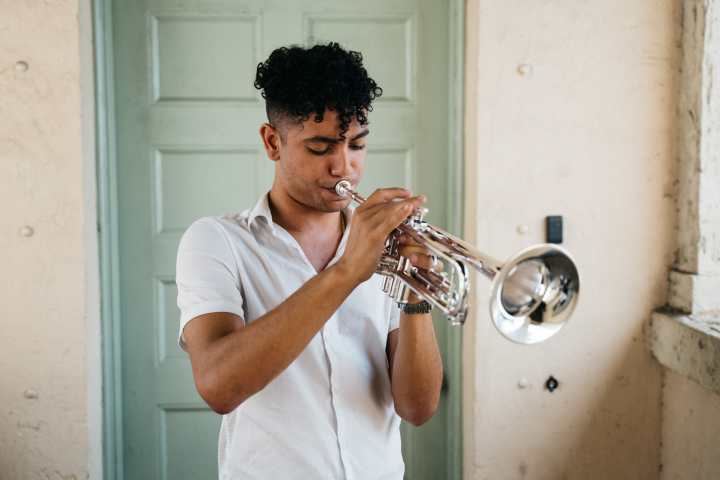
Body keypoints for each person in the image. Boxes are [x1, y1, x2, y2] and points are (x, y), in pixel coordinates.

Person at [176, 42, 443, 480]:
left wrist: (415, 297)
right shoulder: (216, 241)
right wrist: (345, 271)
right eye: (321, 148)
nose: (345, 168)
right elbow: (218, 386)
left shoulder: (385, 246)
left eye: (357, 145)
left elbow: (417, 409)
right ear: (272, 142)